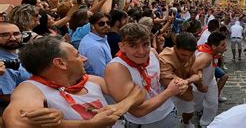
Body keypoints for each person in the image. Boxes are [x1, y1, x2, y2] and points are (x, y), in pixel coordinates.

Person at [3, 36, 145, 127]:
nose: (84, 58)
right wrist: (88, 125)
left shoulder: (91, 81)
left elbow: (137, 92)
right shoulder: (31, 89)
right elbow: (16, 122)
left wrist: (119, 107)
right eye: (77, 55)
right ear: (60, 63)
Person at [104, 23, 187, 127]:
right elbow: (138, 111)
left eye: (145, 44)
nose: (141, 51)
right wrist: (170, 91)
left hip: (168, 113)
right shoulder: (116, 69)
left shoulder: (152, 53)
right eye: (133, 46)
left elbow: (159, 80)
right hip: (143, 123)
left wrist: (178, 82)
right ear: (122, 47)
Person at [158, 32, 202, 127]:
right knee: (168, 117)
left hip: (185, 88)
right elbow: (167, 81)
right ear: (175, 47)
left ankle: (185, 122)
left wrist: (188, 81)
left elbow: (196, 72)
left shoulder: (190, 55)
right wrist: (192, 79)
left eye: (189, 55)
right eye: (183, 55)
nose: (187, 59)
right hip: (167, 91)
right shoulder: (164, 58)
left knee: (189, 112)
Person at [192, 31, 227, 127]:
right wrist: (200, 87)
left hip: (210, 81)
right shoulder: (205, 57)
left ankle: (205, 124)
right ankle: (188, 119)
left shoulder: (212, 51)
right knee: (195, 105)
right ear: (214, 46)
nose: (226, 46)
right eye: (222, 44)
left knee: (213, 103)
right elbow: (192, 70)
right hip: (199, 84)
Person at [0, 22, 31, 114]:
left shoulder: (19, 52)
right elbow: (7, 96)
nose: (13, 38)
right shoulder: (3, 64)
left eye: (16, 34)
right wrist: (46, 100)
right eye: (5, 35)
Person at [78, 12, 112, 77]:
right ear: (92, 26)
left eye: (108, 23)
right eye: (101, 24)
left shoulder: (100, 37)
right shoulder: (94, 47)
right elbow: (101, 74)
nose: (106, 25)